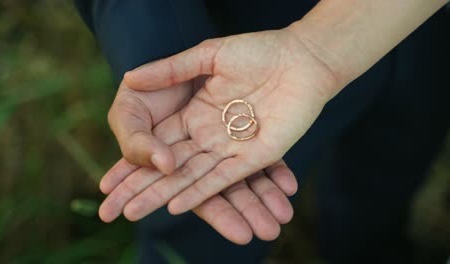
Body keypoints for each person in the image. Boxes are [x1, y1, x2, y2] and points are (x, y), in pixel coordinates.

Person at [75, 1, 450, 263]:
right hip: (237, 42)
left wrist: (316, 51)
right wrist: (165, 56)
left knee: (387, 186)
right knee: (201, 226)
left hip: (433, 35)